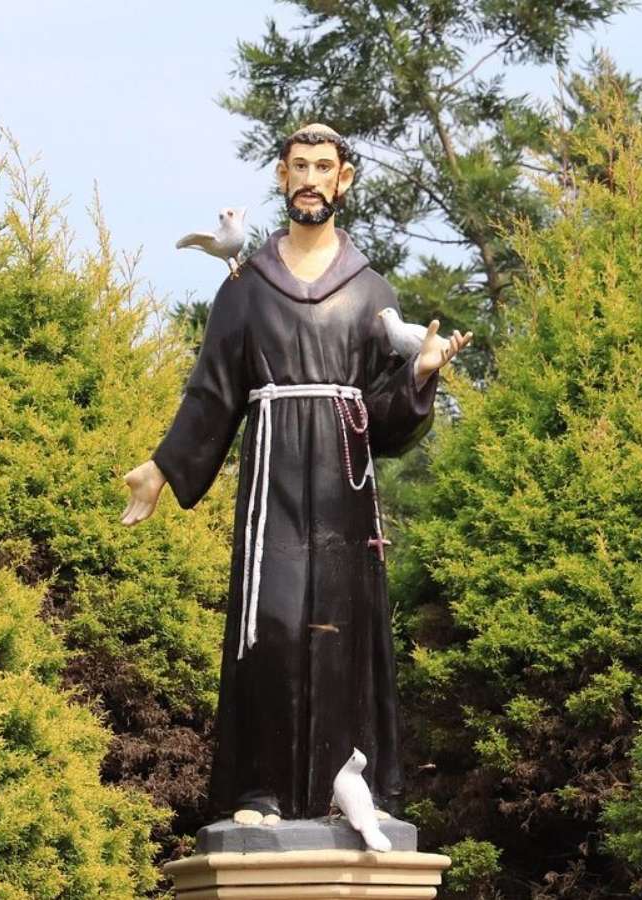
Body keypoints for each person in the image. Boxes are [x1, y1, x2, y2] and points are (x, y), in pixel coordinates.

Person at [121, 123, 471, 824]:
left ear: (344, 181)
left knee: (342, 629)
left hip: (344, 488)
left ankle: (348, 791)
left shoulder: (371, 291)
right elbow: (212, 391)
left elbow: (383, 421)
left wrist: (418, 378)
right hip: (272, 481)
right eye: (299, 166)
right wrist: (161, 468)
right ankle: (261, 790)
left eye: (324, 167)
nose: (311, 179)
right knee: (273, 621)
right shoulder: (246, 289)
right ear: (282, 178)